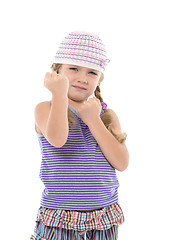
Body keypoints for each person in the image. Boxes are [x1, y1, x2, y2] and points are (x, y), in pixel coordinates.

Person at [30, 31, 129, 240]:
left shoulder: (107, 115)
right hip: (60, 215)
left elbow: (121, 163)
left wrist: (93, 120)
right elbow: (57, 140)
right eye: (73, 68)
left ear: (99, 78)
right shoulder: (44, 109)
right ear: (58, 70)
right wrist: (58, 94)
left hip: (104, 216)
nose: (83, 78)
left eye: (92, 72)